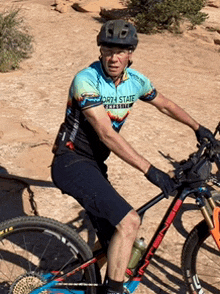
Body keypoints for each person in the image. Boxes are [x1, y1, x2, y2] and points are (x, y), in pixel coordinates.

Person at [51, 19, 215, 294]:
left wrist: (199, 128)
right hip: (70, 161)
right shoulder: (86, 80)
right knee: (129, 222)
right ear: (100, 51)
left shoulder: (135, 81)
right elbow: (107, 135)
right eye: (108, 50)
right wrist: (150, 170)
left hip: (94, 165)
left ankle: (86, 279)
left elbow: (166, 105)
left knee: (115, 238)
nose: (114, 58)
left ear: (130, 55)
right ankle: (113, 291)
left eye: (120, 51)